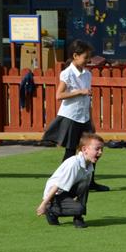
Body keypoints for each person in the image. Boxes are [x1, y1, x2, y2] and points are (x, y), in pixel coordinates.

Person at [42, 40, 109, 192]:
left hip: (84, 118)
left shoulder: (88, 75)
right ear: (75, 56)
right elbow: (59, 95)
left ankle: (90, 182)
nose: (88, 60)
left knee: (93, 149)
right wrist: (79, 91)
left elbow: (88, 99)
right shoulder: (66, 73)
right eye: (86, 57)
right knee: (71, 152)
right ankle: (62, 184)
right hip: (70, 118)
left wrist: (91, 120)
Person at [36, 133, 104, 228]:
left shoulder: (89, 164)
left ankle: (78, 218)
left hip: (66, 192)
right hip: (54, 196)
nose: (100, 152)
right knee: (80, 208)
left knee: (85, 184)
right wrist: (43, 204)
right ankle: (51, 211)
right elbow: (57, 185)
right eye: (97, 149)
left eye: (102, 149)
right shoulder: (74, 164)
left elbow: (82, 187)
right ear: (84, 149)